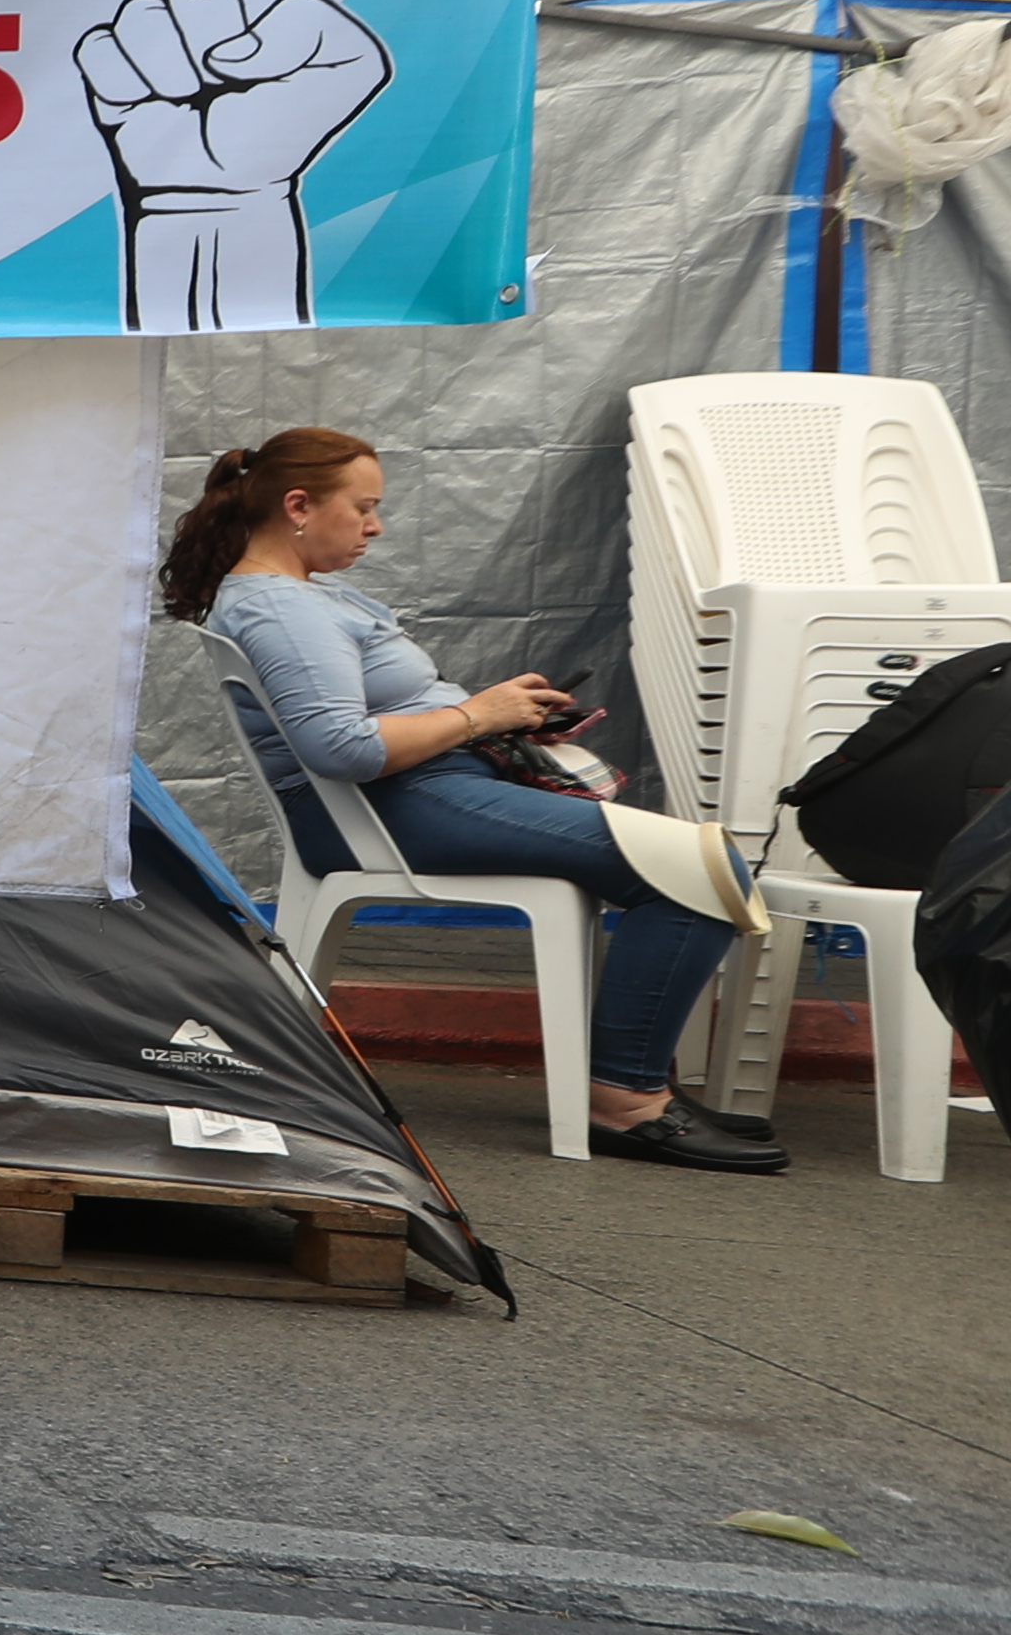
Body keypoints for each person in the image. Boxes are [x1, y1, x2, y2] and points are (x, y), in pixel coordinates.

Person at [167, 423, 784, 1171]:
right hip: (391, 813)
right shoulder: (280, 608)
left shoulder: (298, 595)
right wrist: (478, 716)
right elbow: (342, 749)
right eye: (362, 508)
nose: (376, 525)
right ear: (298, 505)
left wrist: (494, 711)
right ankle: (626, 1102)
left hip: (426, 792)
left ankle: (632, 1084)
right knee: (698, 868)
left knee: (690, 861)